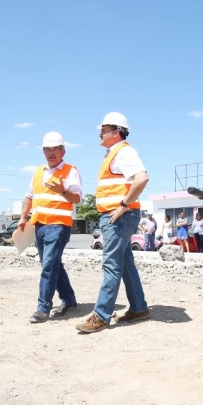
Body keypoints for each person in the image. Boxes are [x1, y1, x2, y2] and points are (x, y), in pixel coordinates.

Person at [76, 112, 149, 333]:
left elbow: (142, 178)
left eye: (104, 130)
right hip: (118, 216)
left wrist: (123, 205)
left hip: (119, 217)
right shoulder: (114, 153)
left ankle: (101, 315)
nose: (100, 133)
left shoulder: (123, 152)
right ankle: (139, 308)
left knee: (111, 264)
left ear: (116, 131)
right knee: (124, 262)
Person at [19, 132, 82, 324]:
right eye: (47, 149)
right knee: (53, 264)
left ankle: (42, 308)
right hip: (39, 224)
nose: (51, 153)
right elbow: (29, 196)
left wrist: (62, 190)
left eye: (55, 149)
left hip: (58, 226)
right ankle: (69, 300)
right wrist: (23, 217)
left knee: (49, 265)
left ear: (63, 151)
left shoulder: (70, 171)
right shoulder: (39, 171)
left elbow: (77, 198)